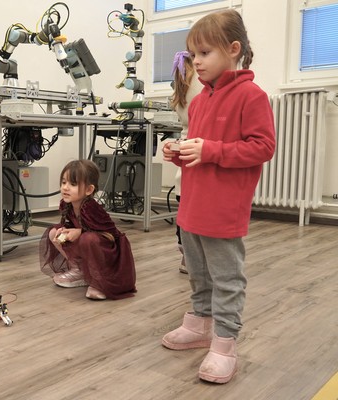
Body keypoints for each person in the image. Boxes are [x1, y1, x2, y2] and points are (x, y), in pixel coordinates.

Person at [160, 9, 275, 384]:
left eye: (205, 53)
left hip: (223, 209)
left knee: (226, 278)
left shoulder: (251, 96)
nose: (197, 61)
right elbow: (201, 148)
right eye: (194, 54)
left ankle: (224, 344)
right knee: (197, 272)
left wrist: (209, 150)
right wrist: (180, 151)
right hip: (192, 205)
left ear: (233, 49)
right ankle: (200, 323)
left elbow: (263, 147)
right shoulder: (198, 102)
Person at [39, 159, 137, 300]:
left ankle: (99, 281)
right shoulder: (67, 204)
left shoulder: (91, 207)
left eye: (73, 184)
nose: (65, 188)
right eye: (64, 182)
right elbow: (70, 223)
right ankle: (80, 270)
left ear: (89, 190)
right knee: (54, 232)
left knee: (88, 239)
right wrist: (65, 231)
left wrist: (80, 232)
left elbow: (110, 235)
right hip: (88, 243)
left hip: (109, 253)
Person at [169, 50, 203, 274]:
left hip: (184, 147)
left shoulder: (181, 86)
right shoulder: (200, 86)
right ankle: (194, 257)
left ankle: (186, 255)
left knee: (184, 210)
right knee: (195, 212)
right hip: (197, 148)